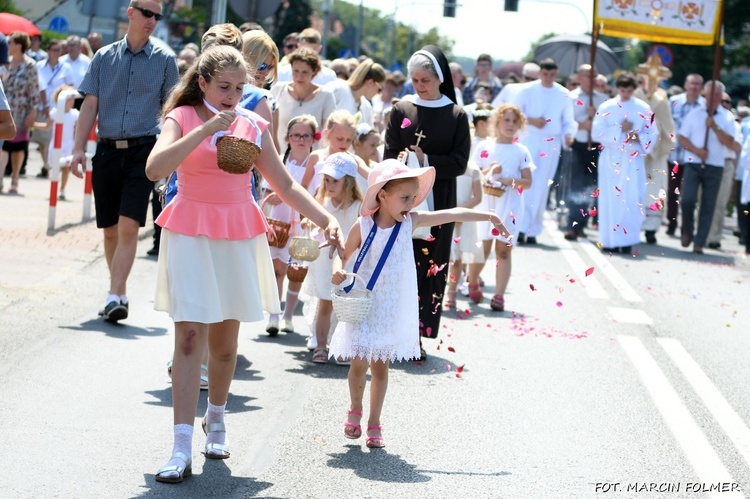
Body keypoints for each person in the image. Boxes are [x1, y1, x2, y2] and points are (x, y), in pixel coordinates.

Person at [144, 45, 344, 484]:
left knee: (225, 344)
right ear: (202, 83)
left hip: (237, 233)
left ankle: (216, 420)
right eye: (223, 87)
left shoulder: (255, 124)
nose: (233, 96)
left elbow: (286, 185)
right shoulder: (183, 117)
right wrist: (204, 130)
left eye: (240, 88)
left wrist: (326, 218)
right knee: (189, 336)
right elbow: (155, 168)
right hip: (190, 230)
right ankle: (180, 447)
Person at [329, 160, 508, 447]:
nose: (411, 203)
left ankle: (375, 422)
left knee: (380, 366)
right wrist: (338, 269)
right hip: (364, 305)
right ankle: (355, 409)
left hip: (389, 306)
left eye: (413, 197)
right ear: (382, 195)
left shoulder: (410, 221)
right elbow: (342, 253)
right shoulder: (362, 225)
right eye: (405, 197)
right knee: (359, 362)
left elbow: (448, 213)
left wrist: (487, 215)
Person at [70, 0, 180, 322]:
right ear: (130, 12)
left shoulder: (165, 60)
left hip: (143, 151)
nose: (152, 21)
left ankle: (116, 294)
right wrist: (78, 149)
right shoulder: (104, 57)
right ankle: (116, 289)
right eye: (147, 13)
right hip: (105, 150)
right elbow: (90, 105)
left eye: (157, 16)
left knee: (129, 225)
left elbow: (172, 111)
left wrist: (169, 156)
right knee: (109, 230)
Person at [383, 45, 471, 358]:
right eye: (415, 79)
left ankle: (416, 336)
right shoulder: (401, 109)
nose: (419, 85)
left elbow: (460, 162)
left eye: (426, 80)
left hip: (439, 199)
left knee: (428, 266)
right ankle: (391, 331)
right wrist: (404, 160)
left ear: (440, 78)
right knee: (399, 265)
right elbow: (388, 154)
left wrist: (427, 159)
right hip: (400, 200)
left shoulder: (457, 114)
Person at [467, 104, 532, 310]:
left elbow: (527, 182)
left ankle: (499, 295)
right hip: (487, 202)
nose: (510, 125)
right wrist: (490, 171)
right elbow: (473, 174)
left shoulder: (521, 151)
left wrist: (508, 180)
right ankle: (473, 279)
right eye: (506, 120)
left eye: (515, 121)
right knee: (482, 248)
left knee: (503, 250)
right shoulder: (484, 147)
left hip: (510, 203)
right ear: (497, 122)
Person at [300, 152, 363, 363]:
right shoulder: (322, 202)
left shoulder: (358, 207)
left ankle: (343, 346)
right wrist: (307, 224)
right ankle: (320, 346)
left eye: (335, 180)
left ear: (349, 182)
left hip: (348, 261)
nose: (329, 184)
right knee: (325, 304)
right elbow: (313, 223)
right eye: (326, 180)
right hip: (324, 261)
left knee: (346, 307)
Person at [264, 115, 321, 335]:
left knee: (296, 270)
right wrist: (273, 196)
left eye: (306, 135)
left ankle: (289, 315)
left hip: (302, 221)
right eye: (296, 135)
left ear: (313, 138)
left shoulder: (315, 165)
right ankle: (274, 315)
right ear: (288, 138)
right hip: (280, 218)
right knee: (277, 267)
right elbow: (268, 189)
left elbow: (317, 192)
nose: (300, 139)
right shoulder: (279, 160)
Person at [592, 72, 656, 253]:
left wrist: (639, 137)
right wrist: (619, 128)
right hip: (611, 157)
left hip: (632, 157)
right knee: (609, 198)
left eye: (628, 90)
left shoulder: (643, 108)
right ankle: (609, 240)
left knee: (631, 198)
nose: (625, 93)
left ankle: (627, 240)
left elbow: (652, 133)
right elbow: (596, 132)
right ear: (617, 88)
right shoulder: (607, 106)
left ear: (634, 89)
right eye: (622, 89)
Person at [515, 57, 577, 244]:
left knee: (542, 186)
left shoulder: (563, 93)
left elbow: (568, 120)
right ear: (540, 73)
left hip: (551, 143)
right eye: (545, 74)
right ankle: (519, 226)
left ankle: (532, 230)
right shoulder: (527, 90)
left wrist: (568, 135)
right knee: (525, 184)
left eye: (552, 74)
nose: (548, 77)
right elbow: (514, 113)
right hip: (529, 138)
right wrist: (532, 120)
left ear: (556, 74)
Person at [677, 80, 740, 254]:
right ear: (705, 95)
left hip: (715, 165)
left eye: (717, 95)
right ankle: (687, 230)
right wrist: (697, 151)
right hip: (694, 163)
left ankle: (700, 241)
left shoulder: (727, 118)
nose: (713, 98)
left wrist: (715, 127)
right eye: (710, 94)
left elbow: (731, 143)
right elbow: (682, 139)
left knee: (708, 204)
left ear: (721, 97)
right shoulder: (694, 113)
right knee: (688, 199)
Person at [564, 64, 607, 240]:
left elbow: (608, 121)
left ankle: (582, 223)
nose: (592, 79)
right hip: (579, 144)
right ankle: (573, 224)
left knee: (590, 187)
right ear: (580, 77)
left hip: (596, 146)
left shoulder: (603, 98)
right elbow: (567, 121)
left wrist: (595, 115)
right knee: (576, 186)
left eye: (594, 76)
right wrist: (583, 124)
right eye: (588, 75)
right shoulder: (571, 97)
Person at [633, 72, 676, 245]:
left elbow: (667, 124)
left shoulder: (661, 99)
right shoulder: (634, 95)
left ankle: (651, 229)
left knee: (654, 188)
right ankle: (633, 226)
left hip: (656, 152)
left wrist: (658, 137)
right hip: (636, 151)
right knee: (635, 188)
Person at [270, 47, 336, 148]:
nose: (299, 77)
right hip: (281, 157)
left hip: (311, 159)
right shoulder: (277, 90)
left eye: (305, 72)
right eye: (295, 71)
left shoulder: (326, 95)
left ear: (314, 71)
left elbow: (328, 132)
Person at [0, 32, 40, 195]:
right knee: (3, 146)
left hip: (21, 109)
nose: (8, 45)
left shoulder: (30, 64)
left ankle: (15, 177)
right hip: (5, 105)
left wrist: (33, 111)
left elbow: (34, 89)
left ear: (19, 45)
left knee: (17, 147)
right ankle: (1, 178)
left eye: (12, 42)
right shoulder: (5, 62)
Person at [667, 74, 705, 236]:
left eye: (698, 84)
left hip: (693, 156)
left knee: (689, 196)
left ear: (701, 88)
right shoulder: (673, 101)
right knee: (672, 191)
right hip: (674, 154)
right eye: (692, 83)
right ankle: (671, 222)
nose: (694, 87)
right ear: (685, 85)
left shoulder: (704, 105)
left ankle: (686, 227)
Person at [34, 40, 75, 178]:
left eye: (59, 50)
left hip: (60, 107)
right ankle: (47, 163)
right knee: (44, 139)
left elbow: (70, 87)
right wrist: (44, 105)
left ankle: (50, 164)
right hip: (43, 105)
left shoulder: (66, 67)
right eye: (54, 49)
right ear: (48, 50)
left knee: (54, 137)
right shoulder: (39, 65)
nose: (56, 53)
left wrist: (69, 105)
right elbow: (37, 86)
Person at [706, 94, 742, 249]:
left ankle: (714, 237)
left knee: (720, 203)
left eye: (727, 101)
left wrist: (716, 128)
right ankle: (701, 234)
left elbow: (735, 146)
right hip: (706, 163)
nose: (724, 103)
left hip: (725, 165)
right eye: (721, 101)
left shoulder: (732, 122)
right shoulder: (704, 116)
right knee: (703, 201)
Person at [35, 85, 78, 200]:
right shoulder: (55, 112)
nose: (71, 102)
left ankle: (62, 190)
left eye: (72, 100)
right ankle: (53, 189)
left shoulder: (75, 114)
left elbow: (78, 131)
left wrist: (78, 146)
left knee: (65, 169)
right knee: (55, 169)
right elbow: (47, 126)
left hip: (69, 144)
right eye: (68, 99)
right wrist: (34, 125)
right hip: (56, 144)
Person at [240, 30, 280, 151]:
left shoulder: (267, 99)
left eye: (270, 67)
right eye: (262, 65)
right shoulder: (216, 89)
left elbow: (271, 148)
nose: (265, 72)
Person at [324, 58, 386, 127]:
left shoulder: (366, 107)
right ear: (370, 83)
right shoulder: (338, 89)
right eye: (380, 89)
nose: (379, 93)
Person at [59, 35, 91, 101]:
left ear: (80, 47)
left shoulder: (87, 62)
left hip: (80, 97)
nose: (71, 47)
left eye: (73, 45)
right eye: (69, 45)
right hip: (64, 97)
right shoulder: (60, 61)